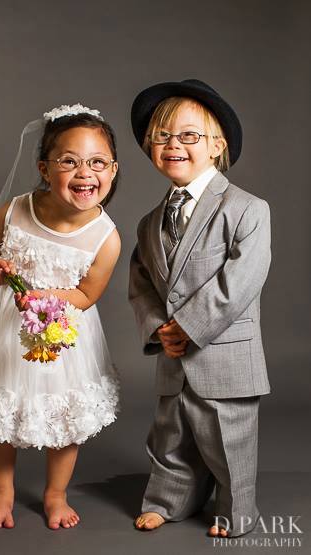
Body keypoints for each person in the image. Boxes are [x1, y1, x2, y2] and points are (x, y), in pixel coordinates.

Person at [0, 103, 121, 530]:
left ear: (112, 171)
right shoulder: (18, 208)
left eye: (97, 163)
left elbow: (87, 293)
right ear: (44, 167)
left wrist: (44, 296)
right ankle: (2, 491)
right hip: (4, 327)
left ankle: (55, 494)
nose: (85, 173)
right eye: (69, 162)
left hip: (60, 332)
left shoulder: (105, 237)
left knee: (65, 418)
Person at [129, 79, 271, 537]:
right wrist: (159, 328)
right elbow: (142, 284)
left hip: (223, 350)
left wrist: (189, 326)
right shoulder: (150, 222)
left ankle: (235, 510)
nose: (173, 145)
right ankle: (169, 499)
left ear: (216, 146)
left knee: (226, 437)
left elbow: (241, 279)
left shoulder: (246, 209)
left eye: (188, 136)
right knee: (172, 436)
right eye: (162, 137)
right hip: (174, 354)